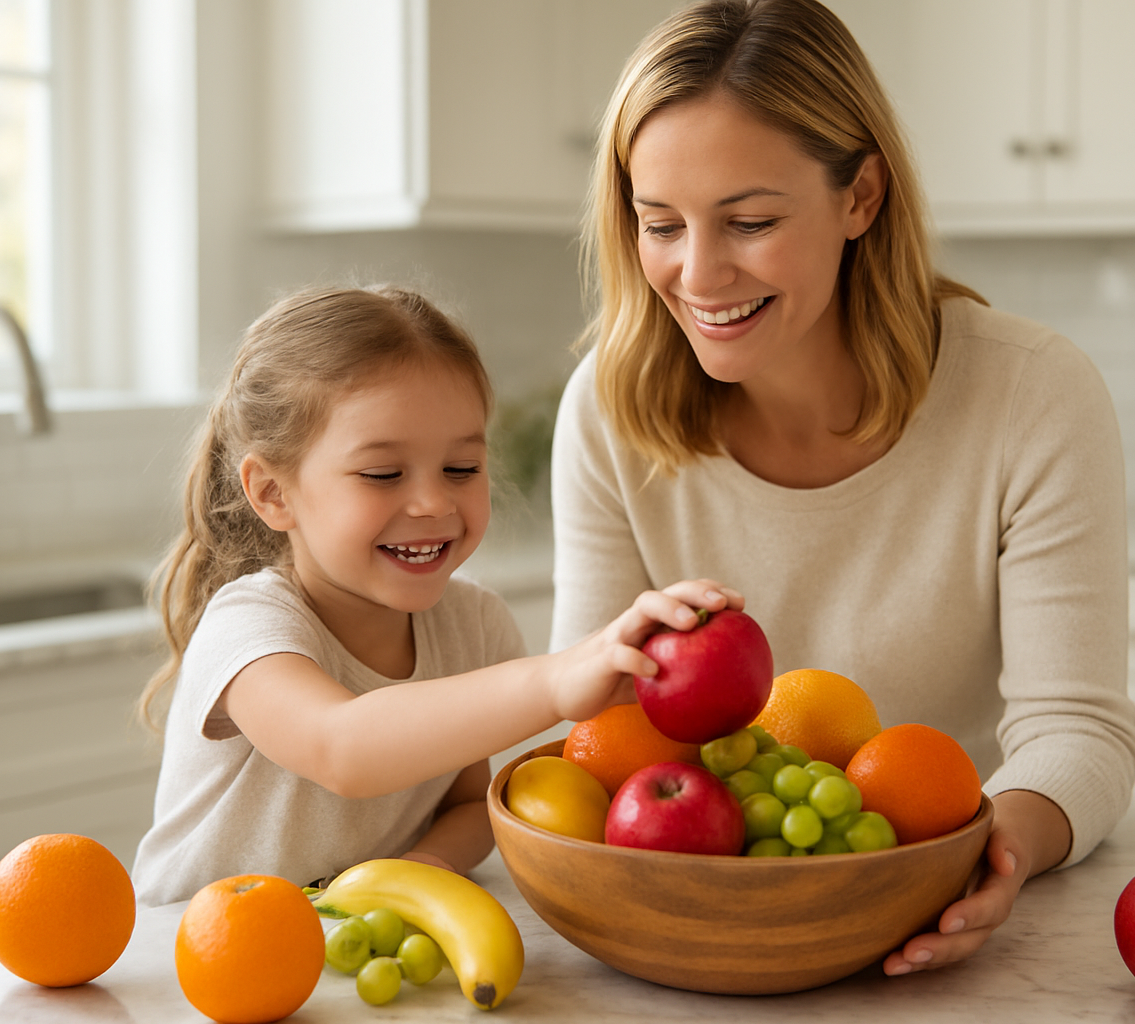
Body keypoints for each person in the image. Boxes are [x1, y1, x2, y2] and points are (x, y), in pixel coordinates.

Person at [550, 0, 1135, 976]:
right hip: (705, 911)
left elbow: (1078, 731)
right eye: (660, 224)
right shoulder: (609, 412)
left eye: (750, 220)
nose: (698, 273)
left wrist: (1002, 848)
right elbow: (600, 737)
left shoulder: (1031, 393)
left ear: (861, 196)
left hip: (934, 890)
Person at [130, 285, 739, 907]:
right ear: (273, 493)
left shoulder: (473, 625)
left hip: (340, 956)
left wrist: (420, 869)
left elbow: (470, 802)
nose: (433, 503)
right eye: (383, 474)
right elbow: (341, 748)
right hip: (193, 962)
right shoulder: (248, 625)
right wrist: (554, 681)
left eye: (461, 469)